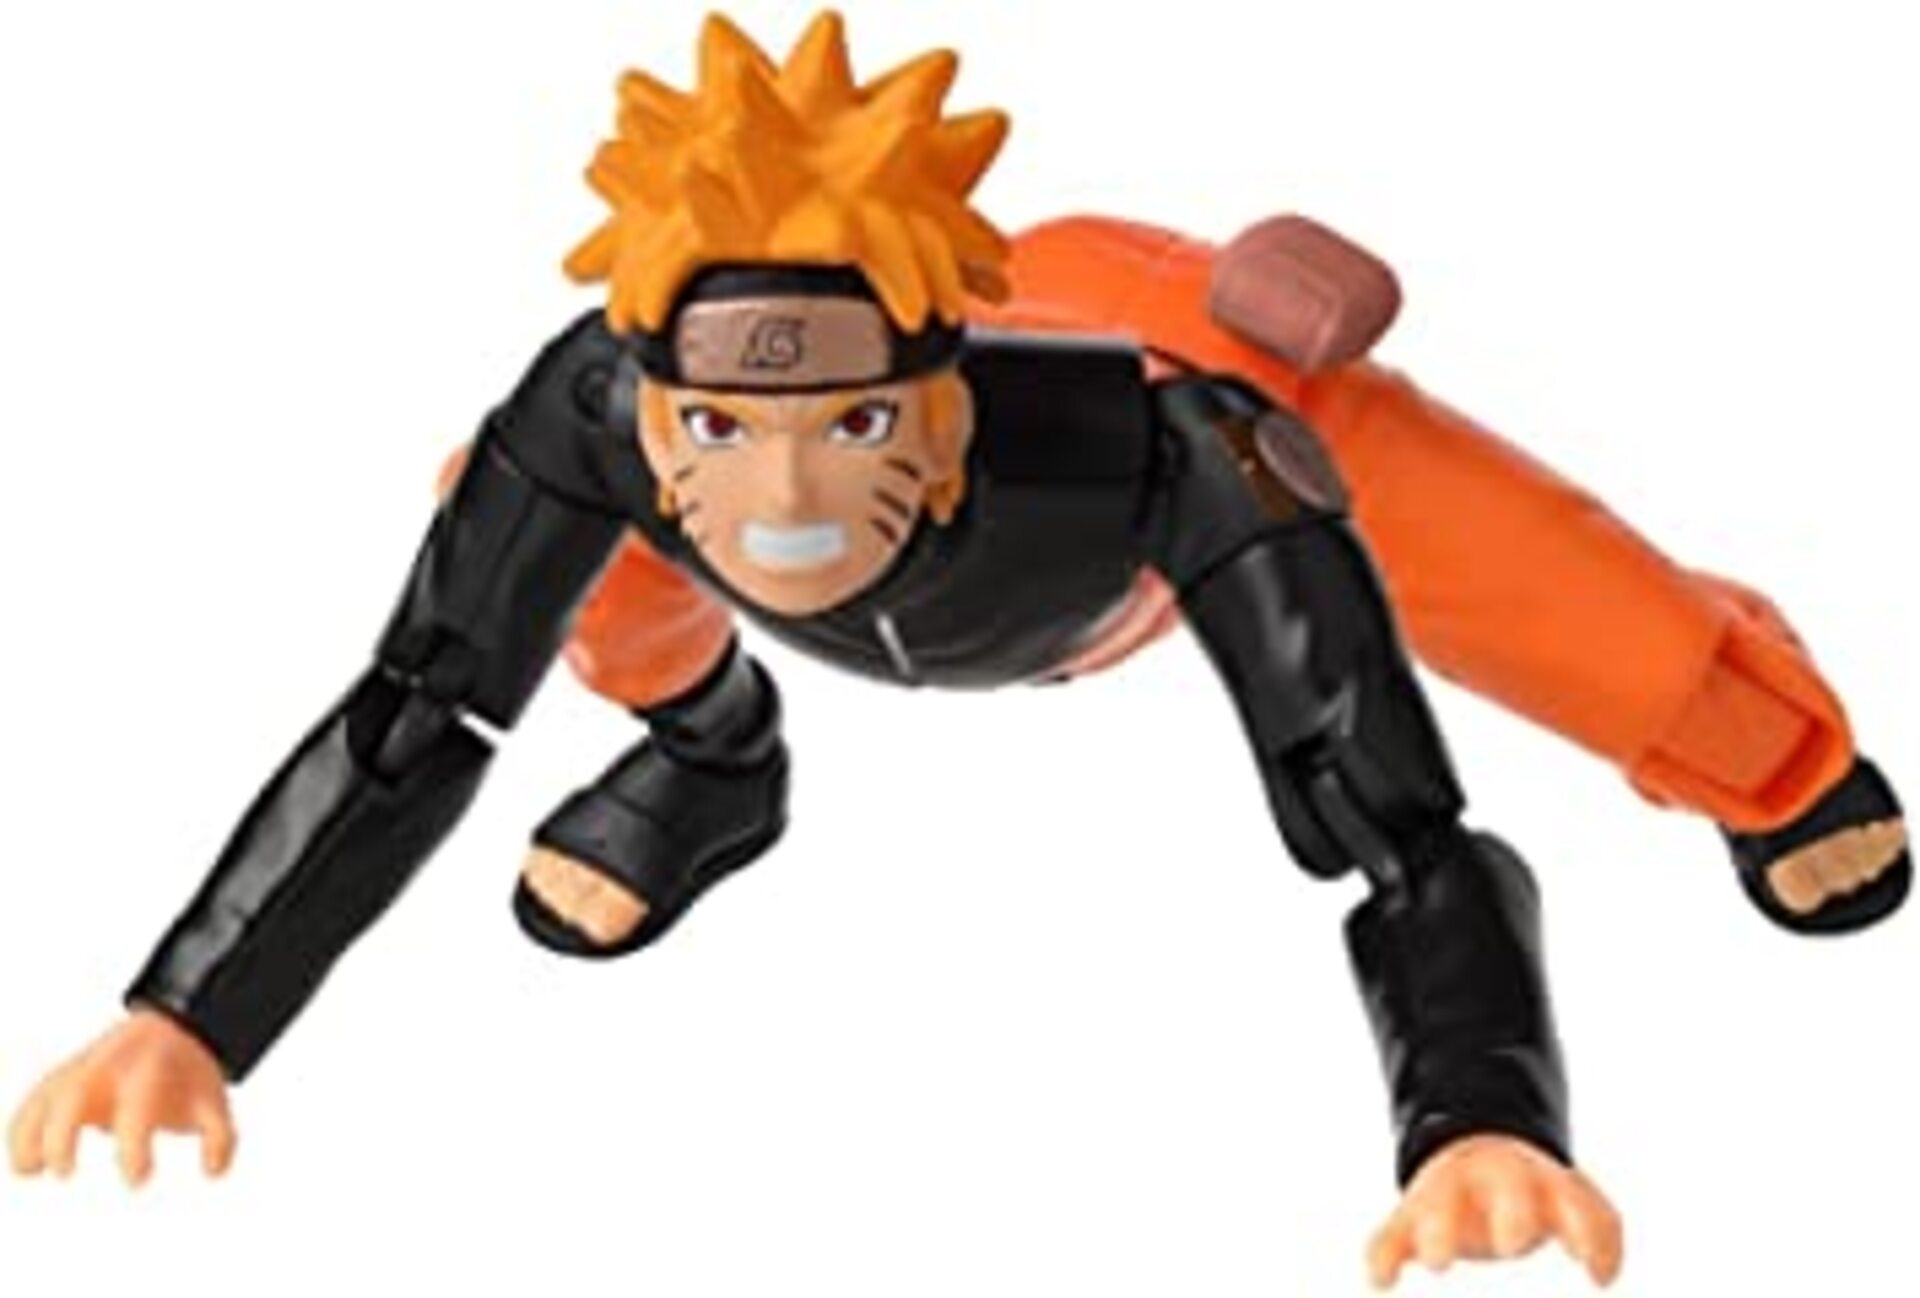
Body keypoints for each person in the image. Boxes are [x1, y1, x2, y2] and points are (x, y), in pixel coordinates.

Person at [21, 9, 1900, 1289]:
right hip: (884, 520)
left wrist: (1477, 1116)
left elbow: (1391, 819)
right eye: (720, 423)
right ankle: (712, 761)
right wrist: (189, 1010)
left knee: (1586, 617)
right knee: (495, 525)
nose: (780, 491)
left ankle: (1785, 762)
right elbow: (424, 703)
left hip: (1159, 428)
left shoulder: (1184, 445)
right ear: (651, 391)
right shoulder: (595, 412)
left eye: (847, 424)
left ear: (938, 400)